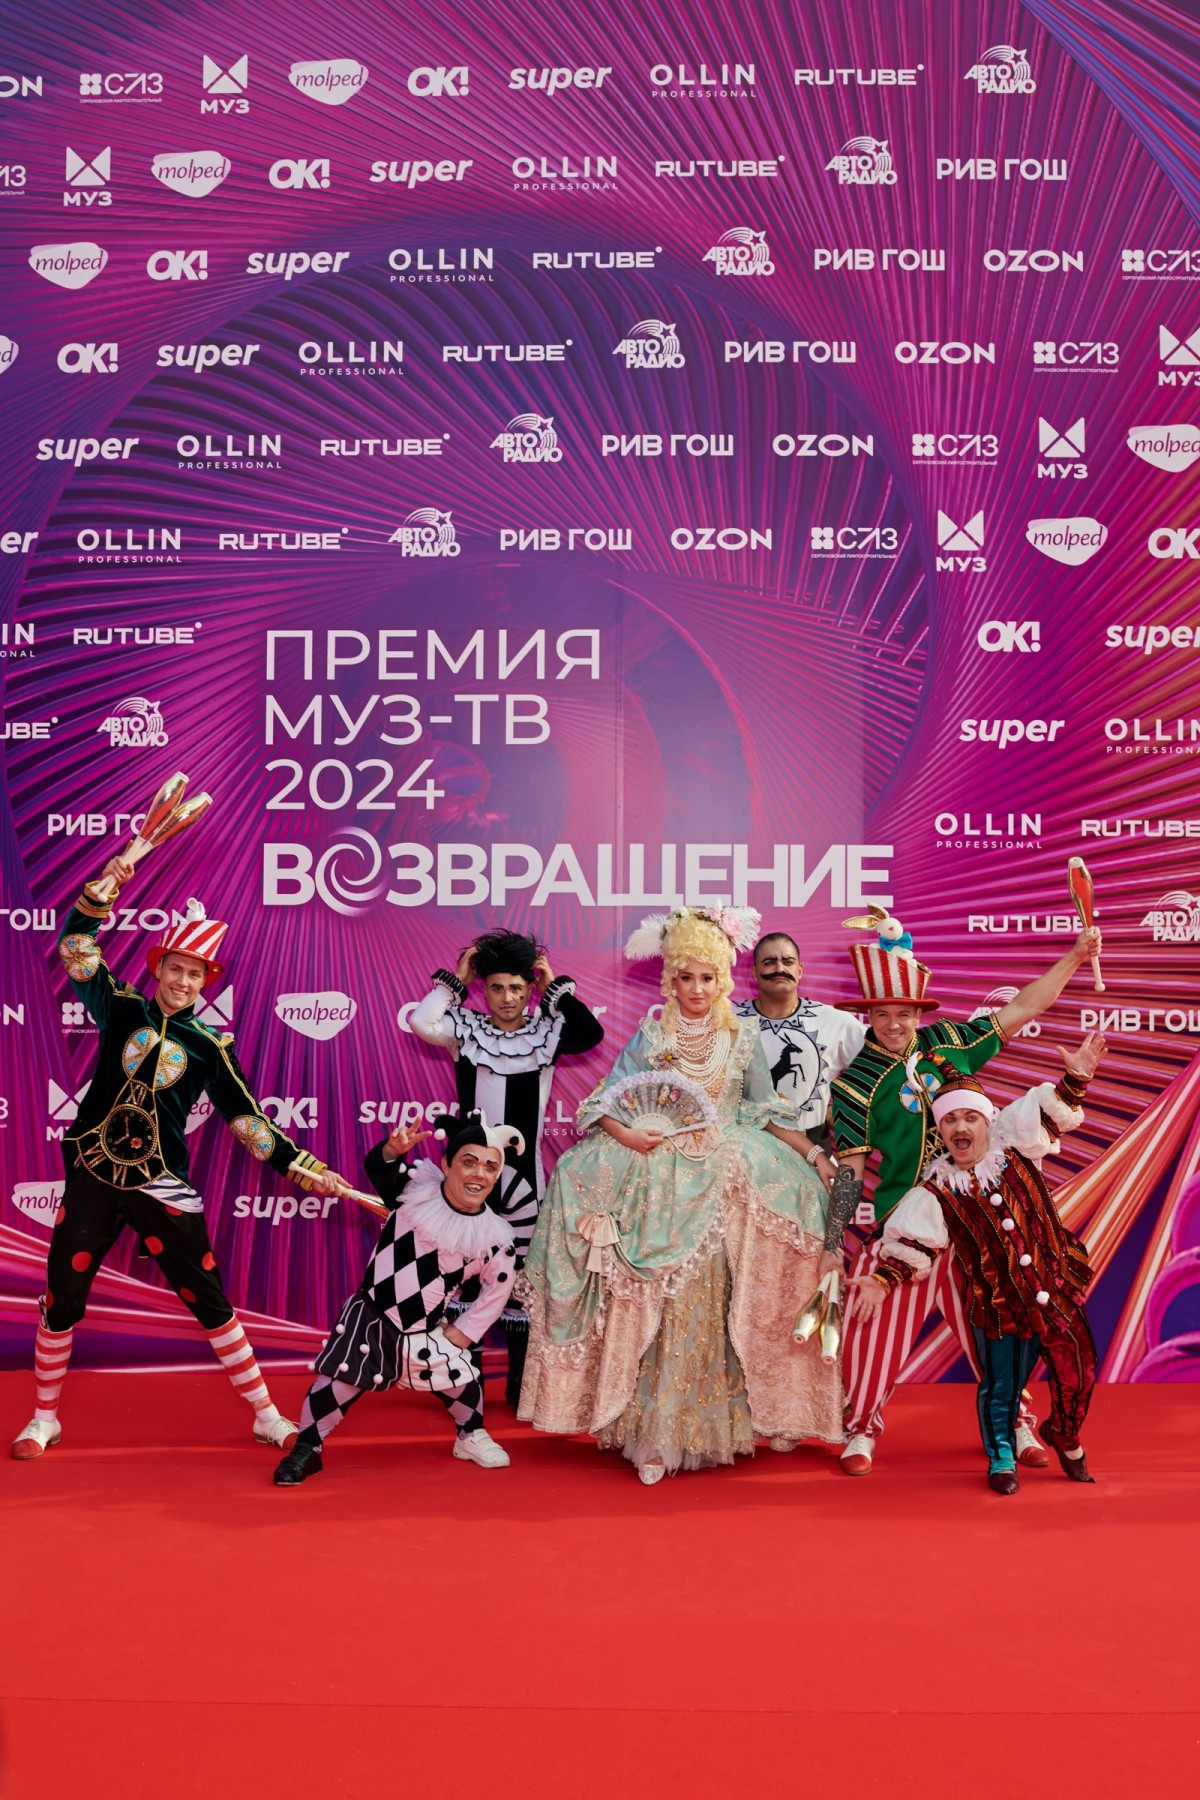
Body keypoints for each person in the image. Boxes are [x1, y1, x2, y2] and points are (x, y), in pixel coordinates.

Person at [12, 851, 352, 1461]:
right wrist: (103, 890)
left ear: (205, 982)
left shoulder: (210, 1048)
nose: (183, 982)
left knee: (210, 1301)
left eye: (195, 974)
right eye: (175, 968)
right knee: (62, 1297)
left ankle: (266, 1416)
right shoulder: (120, 1009)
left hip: (163, 1185)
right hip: (94, 1175)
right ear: (158, 967)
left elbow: (248, 1122)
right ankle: (43, 1419)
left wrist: (305, 1169)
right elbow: (77, 948)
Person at [519, 905, 843, 1483]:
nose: (696, 988)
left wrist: (814, 1154)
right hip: (660, 1184)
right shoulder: (653, 1034)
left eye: (707, 977)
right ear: (671, 980)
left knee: (719, 1299)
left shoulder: (742, 1036)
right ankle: (654, 1436)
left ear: (724, 980)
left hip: (726, 1181)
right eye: (686, 977)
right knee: (662, 1302)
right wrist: (628, 1135)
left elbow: (767, 1111)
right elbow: (605, 1102)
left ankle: (737, 1419)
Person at [829, 904, 1103, 1476]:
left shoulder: (949, 1041)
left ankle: (1015, 1424)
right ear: (868, 1014)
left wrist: (1076, 956)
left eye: (904, 1013)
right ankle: (860, 1430)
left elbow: (1022, 1008)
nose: (895, 1024)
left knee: (1001, 1331)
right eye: (883, 1014)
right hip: (906, 1224)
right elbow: (850, 1170)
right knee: (870, 1324)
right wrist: (835, 1242)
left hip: (979, 1224)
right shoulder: (854, 1084)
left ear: (918, 1011)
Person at [850, 1034, 1104, 1493]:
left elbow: (1053, 1113)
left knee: (1080, 1370)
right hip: (1002, 1307)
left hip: (1053, 1286)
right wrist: (882, 1281)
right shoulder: (936, 1193)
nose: (960, 1126)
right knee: (1001, 1387)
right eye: (950, 1119)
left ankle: (1064, 1432)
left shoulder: (1018, 1148)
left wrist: (1077, 1077)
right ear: (941, 1131)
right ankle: (1001, 1457)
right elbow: (916, 1246)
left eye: (970, 1117)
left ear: (988, 1121)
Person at [409, 928, 604, 1405]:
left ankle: (520, 1390)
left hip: (525, 1181)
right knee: (460, 1278)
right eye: (496, 987)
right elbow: (421, 1020)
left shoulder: (546, 1033)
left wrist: (554, 986)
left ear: (529, 988)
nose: (507, 997)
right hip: (470, 1181)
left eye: (517, 987)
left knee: (518, 1282)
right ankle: (461, 1386)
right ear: (485, 989)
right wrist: (456, 982)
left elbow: (590, 1033)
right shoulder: (466, 1030)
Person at [273, 1117, 522, 1484]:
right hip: (372, 1317)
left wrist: (464, 1333)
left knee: (462, 1381)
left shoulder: (494, 1236)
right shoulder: (412, 1191)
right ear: (446, 1164)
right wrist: (392, 1150)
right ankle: (307, 1448)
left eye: (490, 1166)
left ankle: (470, 1436)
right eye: (469, 1162)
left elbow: (499, 1286)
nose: (479, 1174)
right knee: (335, 1386)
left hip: (425, 1332)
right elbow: (379, 1167)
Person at [733, 930, 866, 1162]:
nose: (780, 968)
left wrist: (843, 1110)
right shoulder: (729, 1019)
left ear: (800, 970)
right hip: (744, 1159)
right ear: (754, 972)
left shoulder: (835, 1021)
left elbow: (880, 1068)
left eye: (788, 961)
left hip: (815, 1159)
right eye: (769, 962)